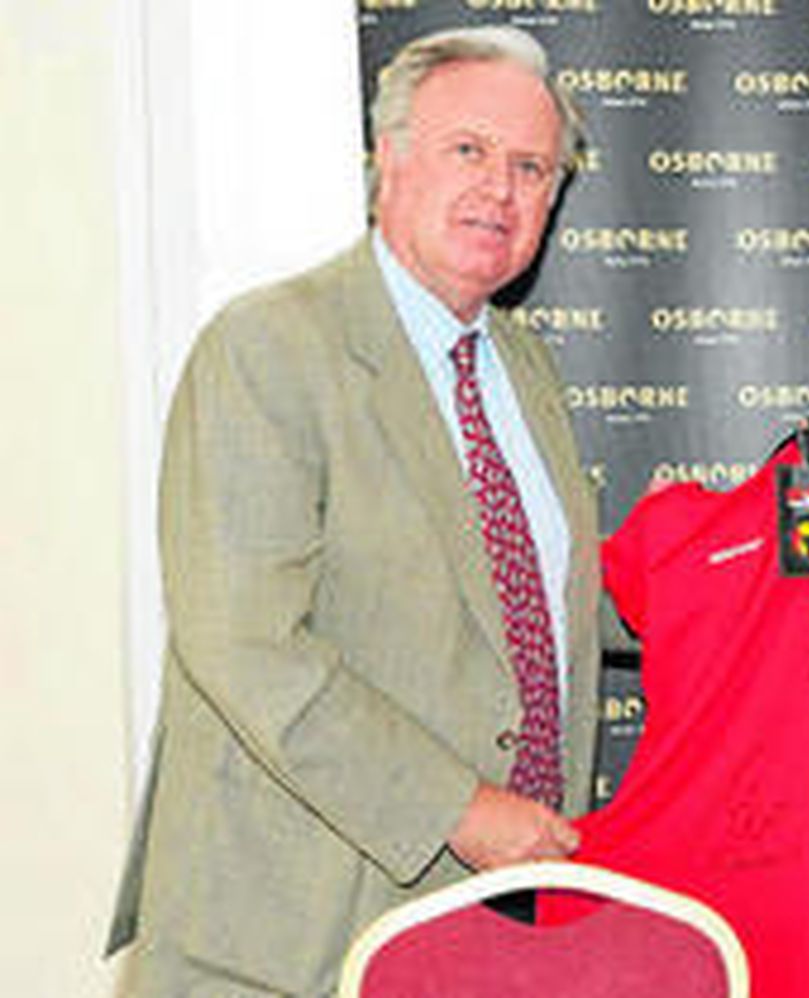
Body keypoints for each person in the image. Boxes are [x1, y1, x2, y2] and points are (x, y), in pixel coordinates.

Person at [107, 26, 602, 995]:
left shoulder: (527, 368)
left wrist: (755, 553)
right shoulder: (270, 347)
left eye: (531, 167)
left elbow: (550, 600)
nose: (499, 188)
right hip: (283, 942)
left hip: (490, 931)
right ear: (391, 157)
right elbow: (245, 642)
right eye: (470, 150)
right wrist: (459, 805)